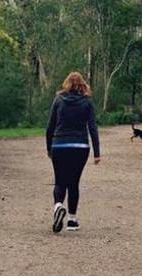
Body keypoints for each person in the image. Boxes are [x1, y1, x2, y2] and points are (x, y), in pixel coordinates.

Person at [46, 72, 100, 233]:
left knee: (60, 180)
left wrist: (49, 147)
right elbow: (93, 128)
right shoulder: (87, 102)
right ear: (82, 85)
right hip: (80, 146)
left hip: (59, 145)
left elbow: (50, 126)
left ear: (66, 84)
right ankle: (72, 220)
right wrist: (97, 152)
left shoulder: (58, 100)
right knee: (73, 182)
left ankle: (58, 207)